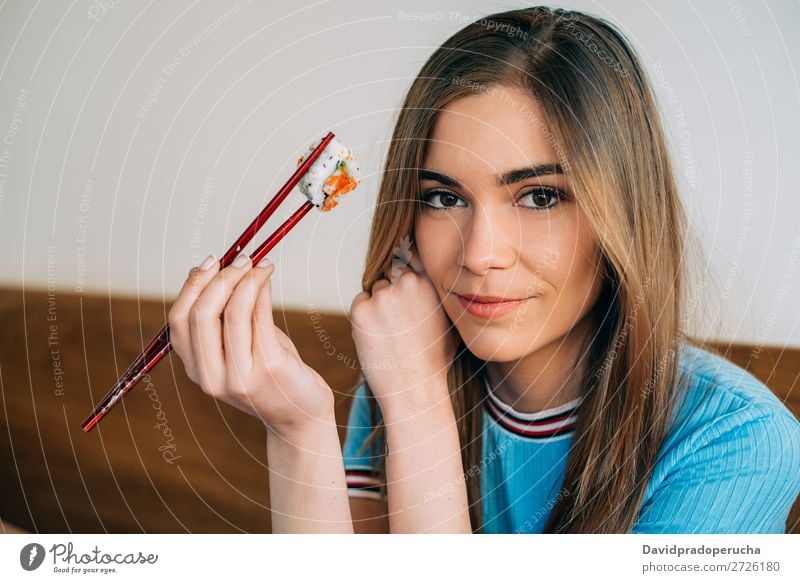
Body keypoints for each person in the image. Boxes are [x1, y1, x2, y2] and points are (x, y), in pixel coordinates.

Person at [167, 6, 800, 533]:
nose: (478, 254)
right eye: (444, 197)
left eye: (540, 196)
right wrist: (298, 431)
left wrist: (416, 401)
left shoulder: (739, 445)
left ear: (624, 216)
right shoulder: (395, 383)